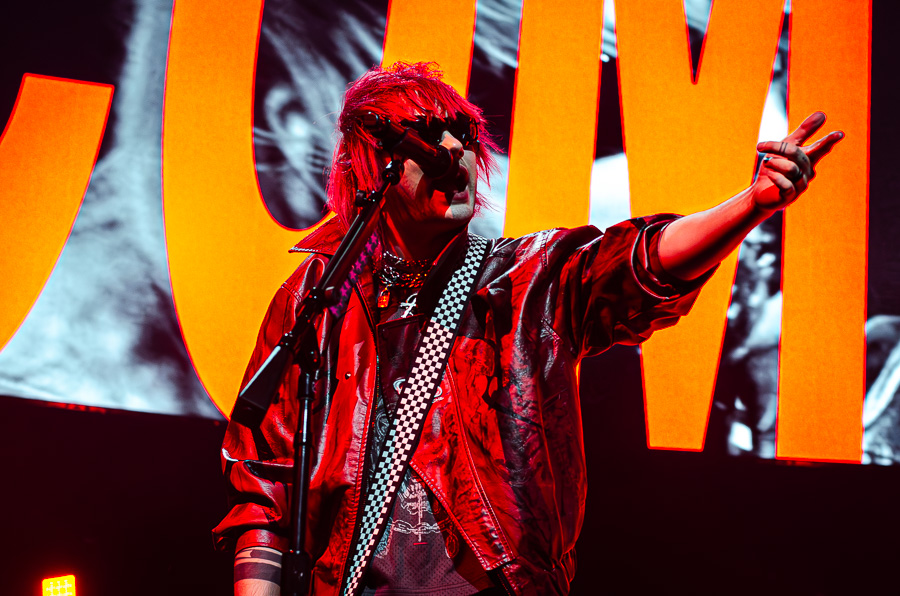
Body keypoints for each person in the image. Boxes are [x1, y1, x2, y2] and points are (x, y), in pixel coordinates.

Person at [213, 62, 843, 595]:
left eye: (464, 134)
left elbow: (637, 262)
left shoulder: (527, 282)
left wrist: (751, 204)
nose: (455, 152)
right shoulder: (316, 299)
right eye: (428, 136)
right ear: (372, 164)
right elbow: (264, 488)